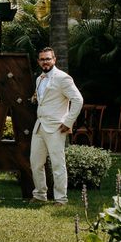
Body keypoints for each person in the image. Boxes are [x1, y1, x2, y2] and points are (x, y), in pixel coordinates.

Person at [30, 47, 83, 205]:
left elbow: (78, 100)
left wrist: (68, 122)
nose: (45, 62)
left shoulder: (63, 78)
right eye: (42, 59)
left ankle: (61, 198)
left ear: (54, 59)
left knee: (57, 163)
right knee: (35, 162)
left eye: (48, 58)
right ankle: (40, 195)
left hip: (56, 127)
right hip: (39, 125)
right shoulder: (39, 79)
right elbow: (43, 98)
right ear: (39, 62)